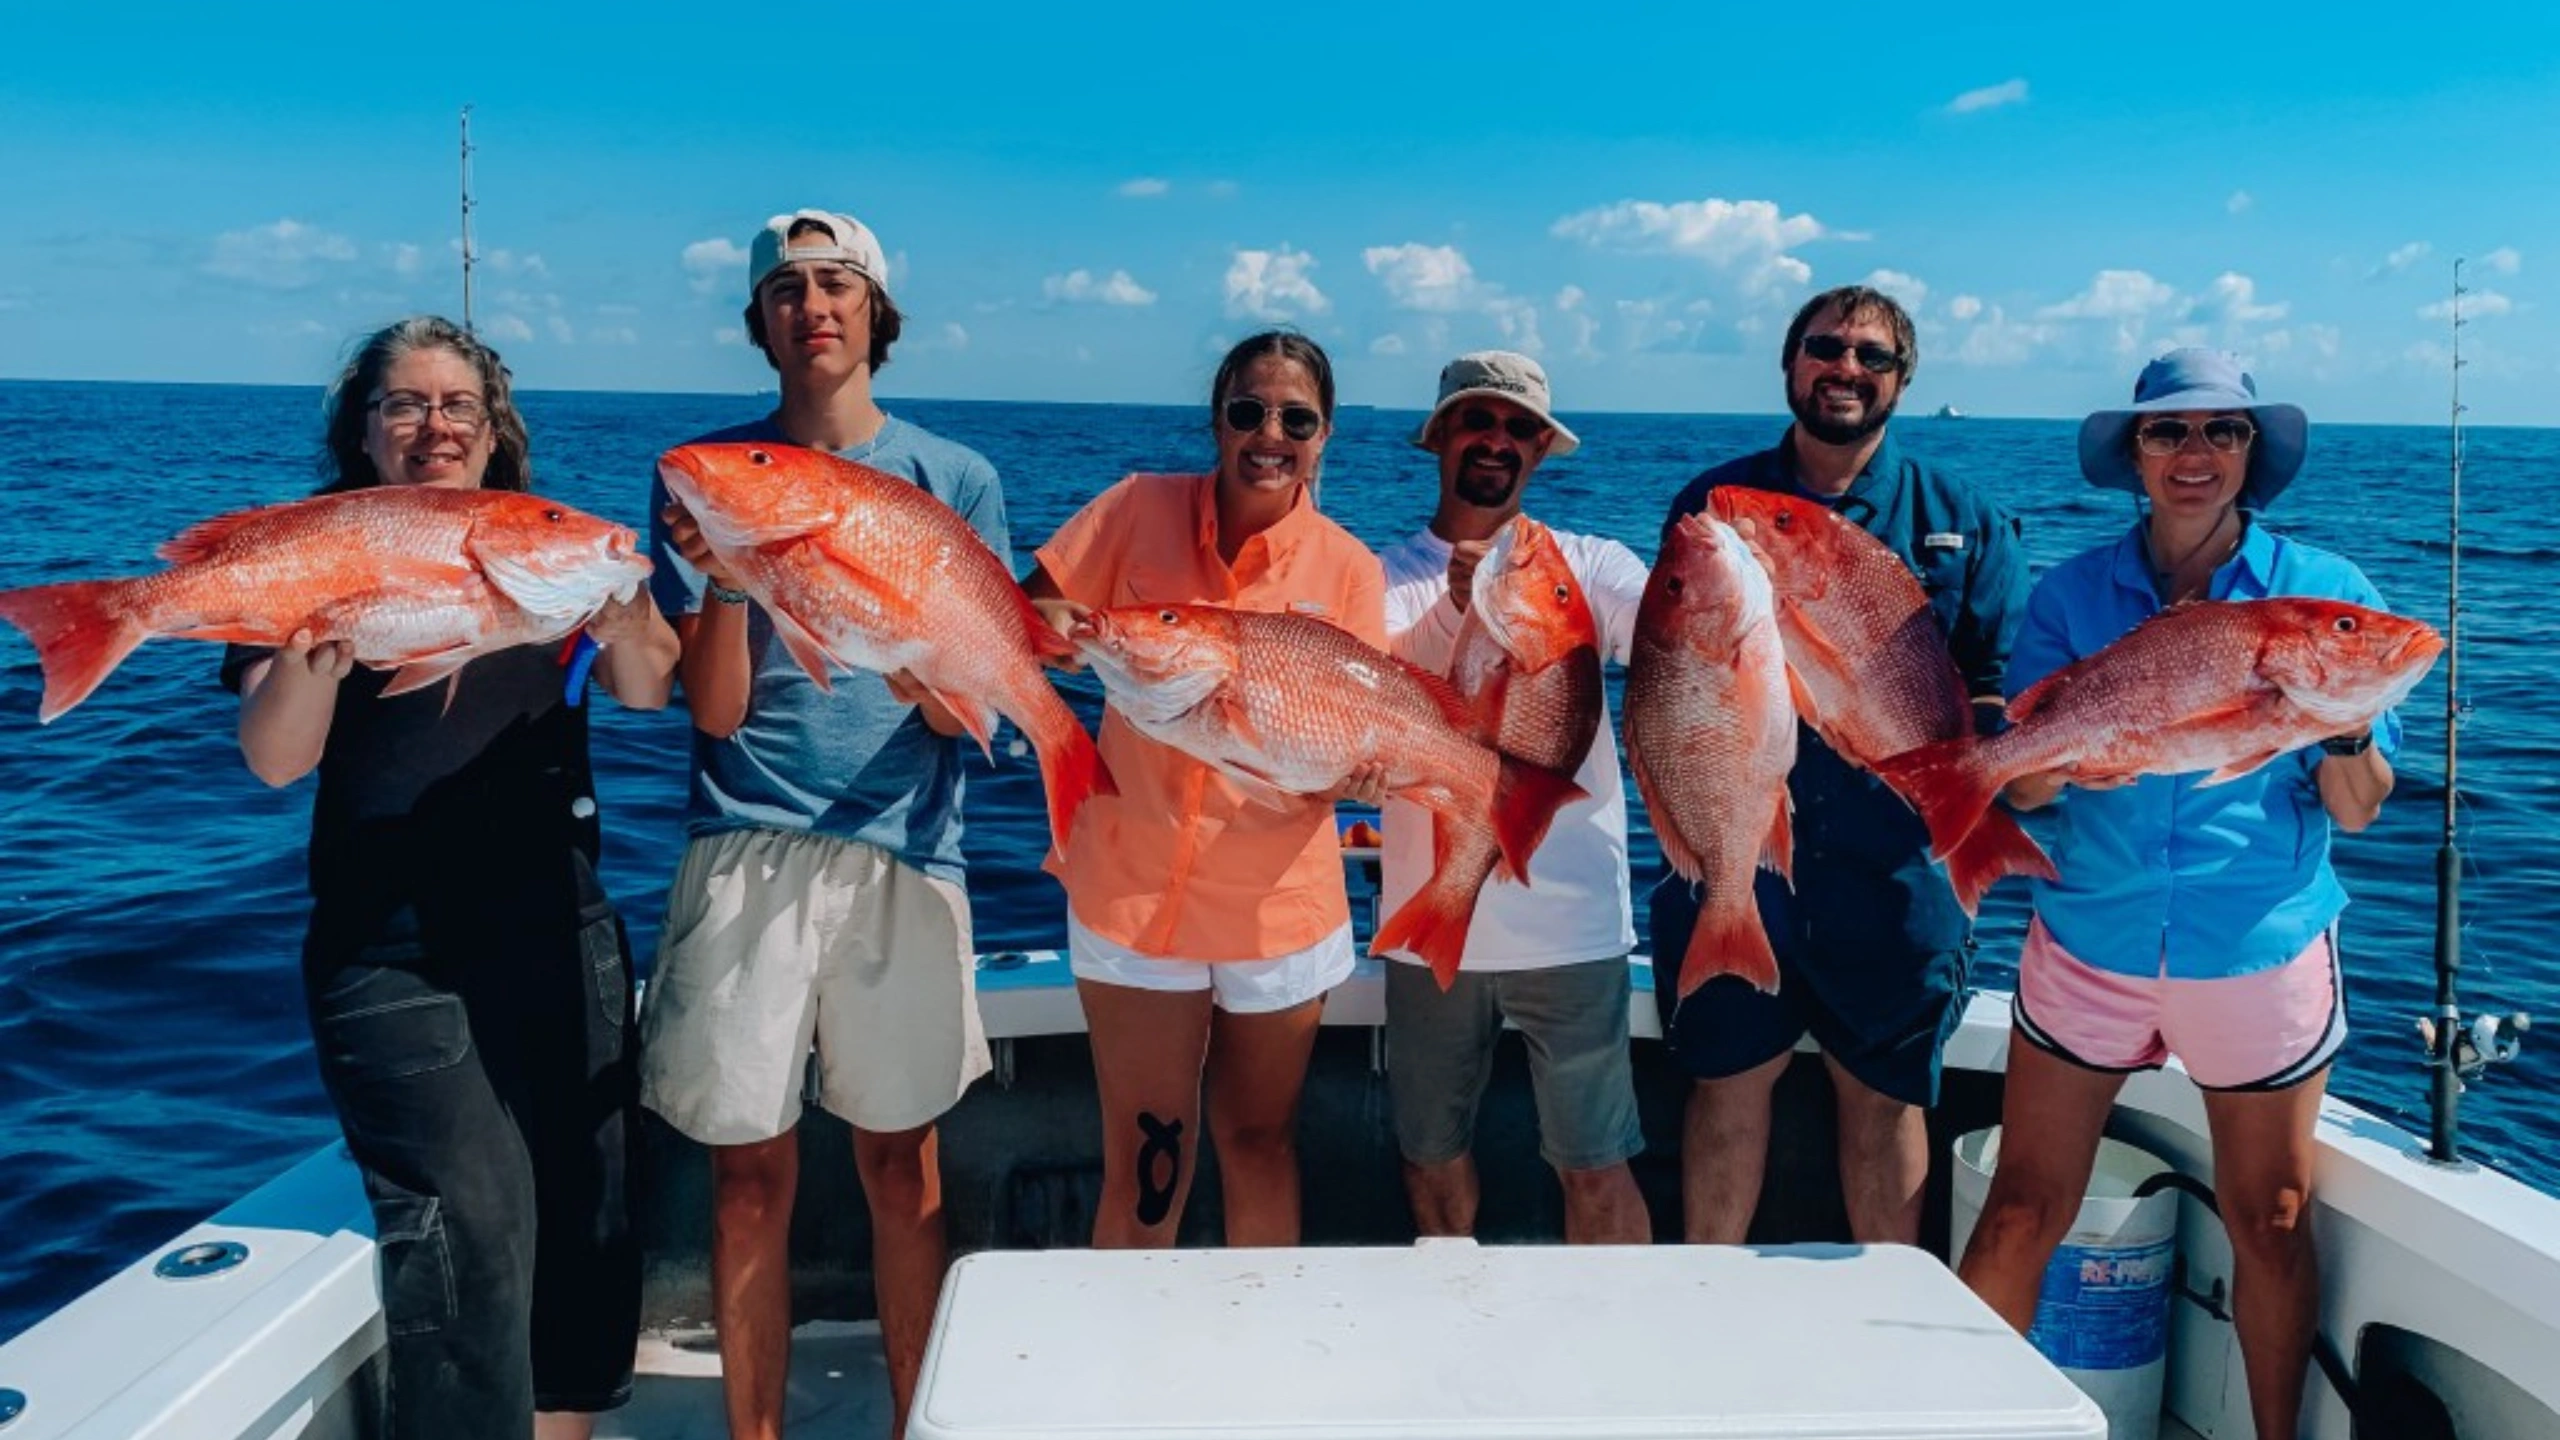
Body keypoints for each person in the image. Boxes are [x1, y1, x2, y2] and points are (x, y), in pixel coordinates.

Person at [231, 316, 678, 1440]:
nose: (433, 425)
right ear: (365, 430)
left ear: (492, 433)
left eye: (457, 406)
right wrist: (307, 662)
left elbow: (644, 688)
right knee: (470, 1225)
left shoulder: (546, 541)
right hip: (394, 954)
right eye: (405, 404)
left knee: (585, 1217)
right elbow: (277, 759)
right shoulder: (322, 546)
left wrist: (627, 609)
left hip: (558, 933)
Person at [1957, 349, 2399, 1440]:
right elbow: (2042, 775)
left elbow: (2357, 807)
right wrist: (2053, 762)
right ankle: (1957, 1422)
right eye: (2168, 434)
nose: (2194, 455)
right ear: (2134, 456)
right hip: (2089, 941)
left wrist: (2340, 719)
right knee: (2019, 1207)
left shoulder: (2327, 601)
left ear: (2252, 453)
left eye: (2221, 432)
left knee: (2272, 1217)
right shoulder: (2070, 594)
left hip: (2253, 949)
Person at [639, 209, 1004, 1440]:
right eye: (787, 288)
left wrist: (932, 682)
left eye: (837, 283)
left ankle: (919, 1423)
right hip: (743, 844)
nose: (814, 306)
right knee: (746, 1183)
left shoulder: (955, 480)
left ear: (875, 312)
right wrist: (733, 578)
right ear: (760, 320)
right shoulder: (700, 474)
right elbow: (716, 710)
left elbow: (970, 717)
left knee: (903, 1173)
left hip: (905, 850)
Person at [1653, 285, 2029, 1245]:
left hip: (1900, 865)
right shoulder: (1714, 503)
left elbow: (1995, 679)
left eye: (1874, 356)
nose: (1847, 370)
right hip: (1738, 837)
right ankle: (1705, 1302)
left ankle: (1886, 1344)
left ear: (1905, 379)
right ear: (1790, 364)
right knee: (1726, 1087)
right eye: (1826, 348)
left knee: (1887, 1099)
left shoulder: (1965, 517)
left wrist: (1966, 791)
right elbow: (1673, 675)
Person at [1024, 331, 1386, 1250]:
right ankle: (1125, 1374)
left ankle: (1260, 1374)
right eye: (1248, 411)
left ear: (1325, 436)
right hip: (1131, 889)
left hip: (1277, 906)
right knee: (1151, 1152)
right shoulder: (1135, 507)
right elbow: (1030, 611)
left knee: (1260, 1140)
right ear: (1217, 421)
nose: (1271, 434)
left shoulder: (1349, 569)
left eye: (1296, 419)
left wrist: (1369, 770)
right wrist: (1054, 627)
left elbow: (1357, 732)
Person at [1375, 351, 1651, 1243]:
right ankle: (1454, 1345)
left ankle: (1619, 1362)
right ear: (1440, 438)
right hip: (1430, 929)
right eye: (1476, 421)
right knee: (1427, 1157)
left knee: (1598, 1167)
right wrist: (1460, 613)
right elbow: (1367, 698)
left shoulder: (1587, 564)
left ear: (1542, 450)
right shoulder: (1380, 579)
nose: (1497, 441)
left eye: (1520, 427)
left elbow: (1672, 631)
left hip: (1573, 930)